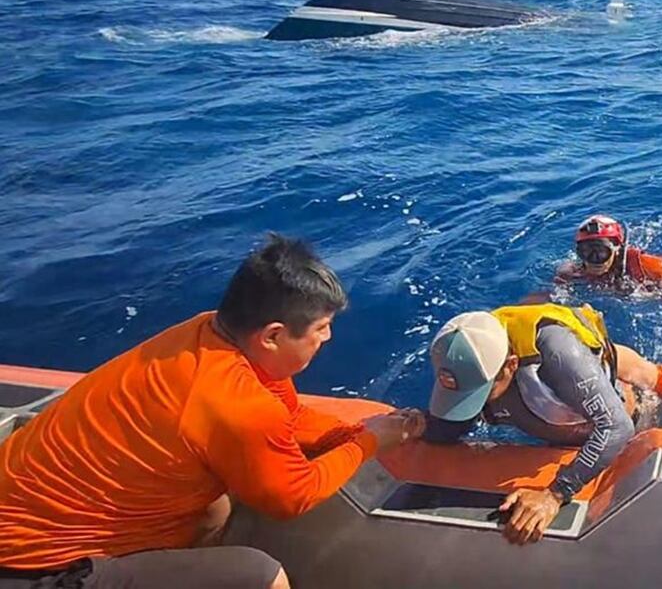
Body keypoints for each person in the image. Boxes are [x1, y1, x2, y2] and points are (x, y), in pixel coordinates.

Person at [0, 234, 425, 589]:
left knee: (213, 506)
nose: (328, 337)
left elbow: (289, 417)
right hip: (35, 570)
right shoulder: (236, 403)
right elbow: (293, 496)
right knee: (263, 576)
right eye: (321, 328)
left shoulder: (212, 334)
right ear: (273, 335)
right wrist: (370, 441)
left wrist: (348, 432)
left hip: (34, 524)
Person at [423, 303, 637, 545]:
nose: (477, 402)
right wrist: (420, 425)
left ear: (511, 365)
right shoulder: (467, 351)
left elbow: (618, 427)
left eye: (482, 391)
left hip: (617, 423)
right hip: (550, 427)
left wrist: (555, 494)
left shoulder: (558, 354)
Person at [556, 215, 662, 292]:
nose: (593, 260)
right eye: (585, 252)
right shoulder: (573, 273)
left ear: (617, 249)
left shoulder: (646, 265)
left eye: (601, 252)